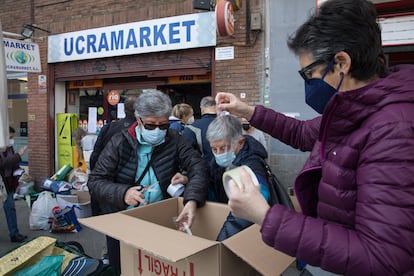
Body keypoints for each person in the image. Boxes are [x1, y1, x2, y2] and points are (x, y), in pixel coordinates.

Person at [215, 0, 414, 274]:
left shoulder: (392, 129)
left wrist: (265, 215)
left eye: (310, 74)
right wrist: (248, 111)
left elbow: (381, 256)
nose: (308, 85)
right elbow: (301, 132)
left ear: (341, 63)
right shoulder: (352, 110)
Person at [87, 89, 209, 275]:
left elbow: (198, 167)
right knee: (125, 268)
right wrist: (123, 193)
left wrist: (191, 199)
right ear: (139, 119)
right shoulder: (119, 142)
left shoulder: (174, 139)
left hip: (158, 219)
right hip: (123, 222)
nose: (158, 131)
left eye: (163, 125)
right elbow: (95, 181)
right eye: (151, 126)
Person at [206, 114, 270, 241]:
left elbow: (253, 202)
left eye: (224, 148)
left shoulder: (252, 164)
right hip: (224, 219)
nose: (219, 154)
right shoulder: (215, 164)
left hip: (247, 234)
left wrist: (221, 241)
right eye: (214, 149)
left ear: (240, 143)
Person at [89, 95, 137, 170]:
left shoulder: (108, 128)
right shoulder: (143, 130)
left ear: (124, 110)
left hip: (107, 173)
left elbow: (95, 156)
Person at [0, 127, 28, 243]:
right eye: (10, 137)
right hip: (2, 182)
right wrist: (19, 155)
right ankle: (14, 233)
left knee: (10, 207)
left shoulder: (9, 147)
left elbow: (12, 163)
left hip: (9, 182)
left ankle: (14, 233)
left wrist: (18, 170)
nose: (12, 140)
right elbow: (2, 164)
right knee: (9, 206)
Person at [182, 96, 217, 161]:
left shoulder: (191, 128)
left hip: (204, 167)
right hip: (231, 168)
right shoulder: (229, 124)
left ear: (201, 108)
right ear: (216, 107)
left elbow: (187, 155)